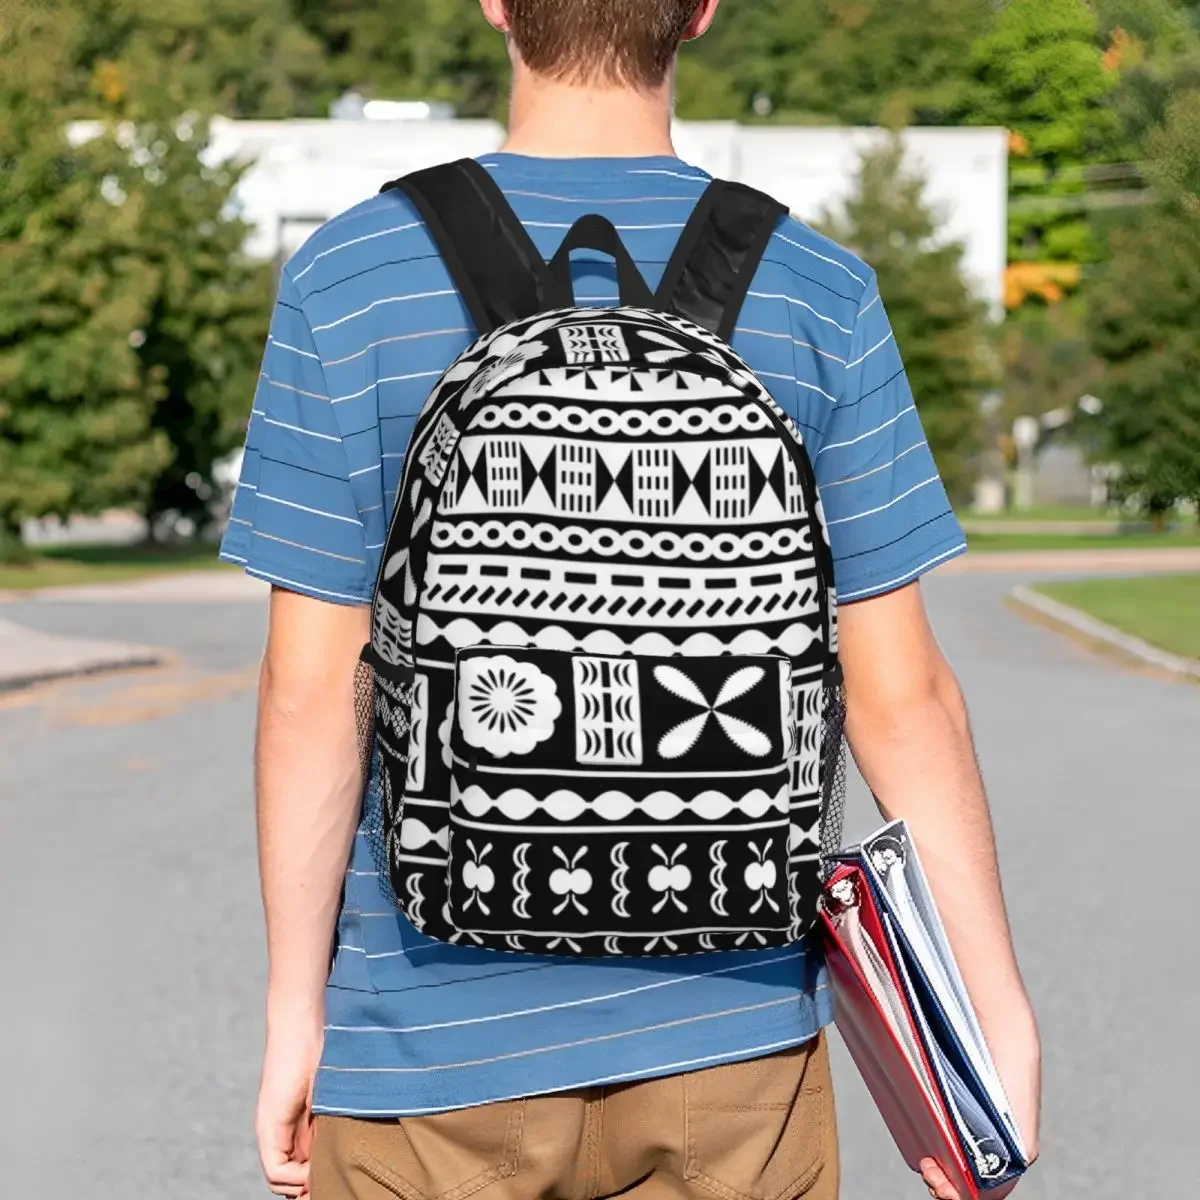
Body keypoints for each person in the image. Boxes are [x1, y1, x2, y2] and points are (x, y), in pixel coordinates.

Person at [221, 3, 1041, 1198]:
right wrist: (987, 1012)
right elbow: (902, 695)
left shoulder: (351, 279)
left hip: (426, 1046)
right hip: (736, 1045)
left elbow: (309, 691)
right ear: (701, 10)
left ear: (497, 3)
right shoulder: (818, 289)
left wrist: (299, 1013)